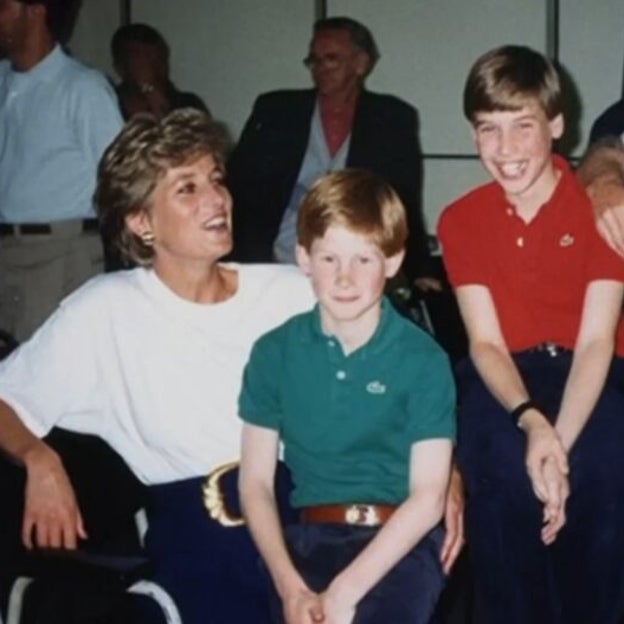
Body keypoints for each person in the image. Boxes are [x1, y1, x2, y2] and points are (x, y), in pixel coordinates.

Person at [0, 108, 316, 624]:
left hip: (308, 526)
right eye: (186, 189)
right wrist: (39, 458)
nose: (216, 199)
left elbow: (396, 376)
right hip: (201, 545)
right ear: (140, 221)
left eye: (216, 179)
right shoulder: (106, 311)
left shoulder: (290, 292)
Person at [437, 45, 624, 624]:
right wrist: (532, 423)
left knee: (604, 466)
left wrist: (559, 445)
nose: (506, 150)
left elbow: (596, 340)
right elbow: (485, 344)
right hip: (505, 380)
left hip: (590, 373)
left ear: (558, 125)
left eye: (523, 127)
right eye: (488, 130)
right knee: (498, 468)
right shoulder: (460, 218)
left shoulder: (600, 206)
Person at [239, 169, 456, 624]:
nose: (344, 278)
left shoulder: (424, 360)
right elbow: (255, 483)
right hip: (305, 541)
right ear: (302, 256)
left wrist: (345, 592)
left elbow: (429, 497)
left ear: (393, 260)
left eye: (364, 259)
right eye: (329, 258)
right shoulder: (272, 353)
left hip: (398, 544)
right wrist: (289, 586)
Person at [227, 16, 439, 291]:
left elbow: (404, 201)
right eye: (314, 60)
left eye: (331, 59)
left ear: (361, 63)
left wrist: (420, 270)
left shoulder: (392, 118)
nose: (320, 69)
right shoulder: (276, 111)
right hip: (273, 266)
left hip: (352, 270)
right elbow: (238, 186)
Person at [0, 0, 123, 341]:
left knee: (48, 380)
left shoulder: (82, 88)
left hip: (60, 254)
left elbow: (122, 180)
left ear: (36, 11)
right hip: (7, 253)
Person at [111, 22, 209, 120]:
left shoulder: (188, 105)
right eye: (140, 59)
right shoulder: (107, 106)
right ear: (120, 67)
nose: (150, 69)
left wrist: (151, 93)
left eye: (159, 59)